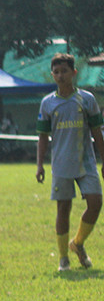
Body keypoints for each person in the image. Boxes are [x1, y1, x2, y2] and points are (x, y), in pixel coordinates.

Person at [35, 52, 104, 272]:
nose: (60, 75)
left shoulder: (87, 99)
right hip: (62, 165)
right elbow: (43, 137)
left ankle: (78, 243)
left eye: (64, 71)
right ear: (52, 75)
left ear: (74, 73)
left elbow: (97, 132)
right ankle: (63, 258)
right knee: (63, 208)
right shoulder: (47, 103)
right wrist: (39, 165)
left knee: (95, 203)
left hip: (86, 163)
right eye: (56, 72)